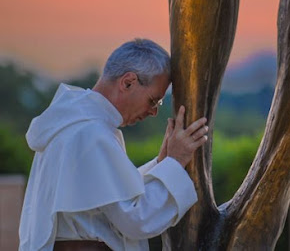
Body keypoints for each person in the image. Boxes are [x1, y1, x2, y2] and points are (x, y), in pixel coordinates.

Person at [19, 38, 208, 251]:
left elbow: (110, 200)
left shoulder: (74, 125)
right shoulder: (90, 133)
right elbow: (136, 220)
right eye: (153, 100)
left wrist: (162, 164)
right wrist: (176, 162)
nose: (153, 112)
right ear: (128, 82)